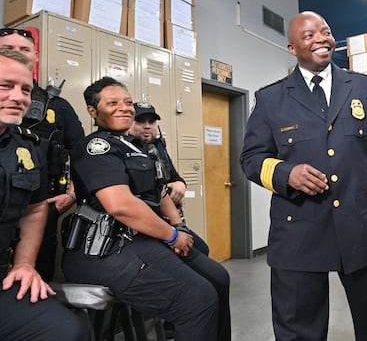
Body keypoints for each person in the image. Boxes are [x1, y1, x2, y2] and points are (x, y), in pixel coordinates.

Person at [240, 11, 367, 341]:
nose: (321, 38)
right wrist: (286, 174)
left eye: (326, 31)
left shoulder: (366, 88)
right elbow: (250, 159)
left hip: (361, 225)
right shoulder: (270, 99)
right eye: (309, 35)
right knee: (298, 331)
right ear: (292, 48)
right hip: (298, 231)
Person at [62, 76, 230, 341]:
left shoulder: (137, 148)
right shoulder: (96, 147)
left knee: (218, 278)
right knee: (198, 297)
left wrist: (178, 227)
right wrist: (172, 236)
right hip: (105, 249)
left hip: (142, 238)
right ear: (93, 111)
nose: (125, 108)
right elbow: (121, 206)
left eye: (128, 102)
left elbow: (160, 191)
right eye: (113, 103)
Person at [0, 47, 89, 341]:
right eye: (5, 86)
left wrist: (24, 264)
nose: (18, 97)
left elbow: (35, 208)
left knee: (68, 331)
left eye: (25, 89)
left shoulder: (26, 147)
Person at [128, 101, 230, 338]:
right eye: (140, 121)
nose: (147, 127)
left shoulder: (158, 147)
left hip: (169, 222)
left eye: (151, 122)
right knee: (203, 283)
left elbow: (174, 177)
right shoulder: (127, 150)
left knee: (206, 256)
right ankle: (180, 316)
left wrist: (180, 184)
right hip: (146, 232)